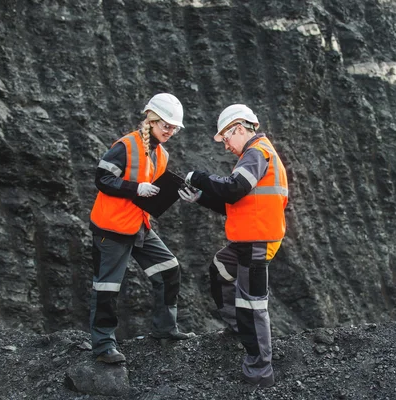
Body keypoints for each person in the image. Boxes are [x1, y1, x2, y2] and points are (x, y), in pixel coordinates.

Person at [178, 104, 288, 387]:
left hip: (257, 242)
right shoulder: (254, 156)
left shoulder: (256, 152)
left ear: (239, 128)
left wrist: (200, 178)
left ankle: (259, 372)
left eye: (226, 138)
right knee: (220, 269)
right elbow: (237, 204)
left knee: (252, 305)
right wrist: (199, 197)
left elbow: (233, 188)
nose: (225, 145)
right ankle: (241, 329)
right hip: (248, 240)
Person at [89, 93, 189, 364]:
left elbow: (151, 194)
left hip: (138, 225)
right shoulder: (126, 146)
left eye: (174, 127)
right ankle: (103, 347)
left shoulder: (162, 154)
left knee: (169, 269)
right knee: (107, 287)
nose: (170, 131)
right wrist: (135, 188)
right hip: (111, 229)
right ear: (151, 119)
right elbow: (102, 178)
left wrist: (176, 193)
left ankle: (165, 329)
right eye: (166, 125)